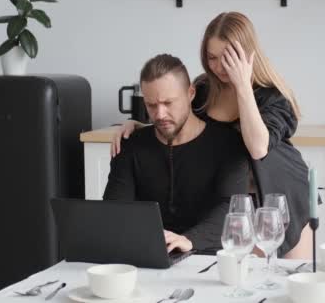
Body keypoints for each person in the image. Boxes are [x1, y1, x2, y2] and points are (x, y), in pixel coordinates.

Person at [112, 12, 312, 258]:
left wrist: (243, 85)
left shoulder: (273, 98)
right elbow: (181, 120)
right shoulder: (205, 89)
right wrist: (137, 125)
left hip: (279, 197)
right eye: (212, 57)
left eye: (227, 58)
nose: (218, 67)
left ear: (247, 55)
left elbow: (258, 147)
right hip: (233, 201)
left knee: (287, 283)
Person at [103, 53, 250, 253]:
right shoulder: (130, 145)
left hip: (211, 258)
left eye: (168, 103)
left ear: (190, 93)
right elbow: (114, 212)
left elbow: (232, 208)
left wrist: (189, 240)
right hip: (147, 257)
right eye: (151, 105)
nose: (160, 114)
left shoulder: (228, 144)